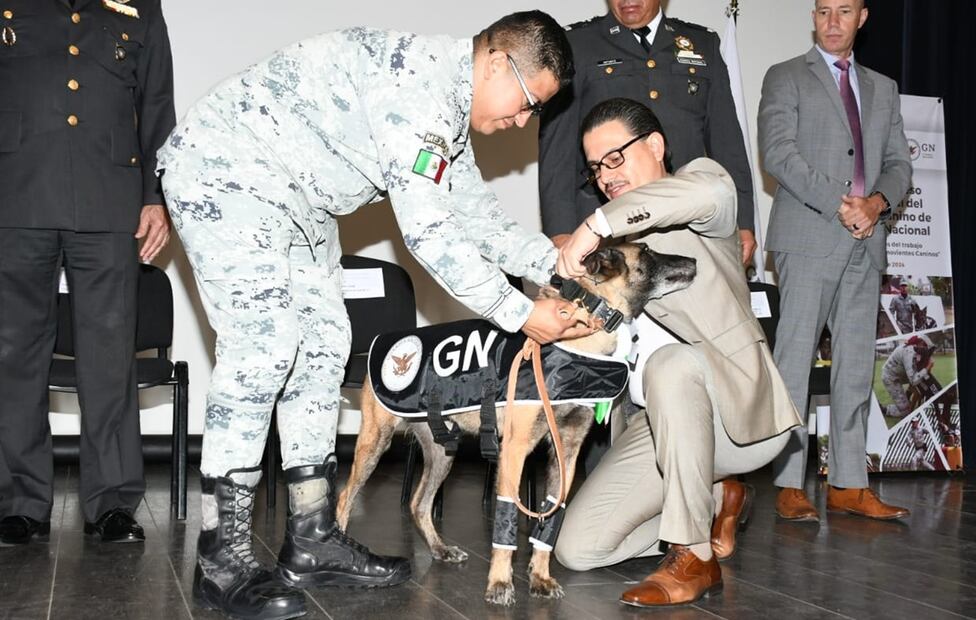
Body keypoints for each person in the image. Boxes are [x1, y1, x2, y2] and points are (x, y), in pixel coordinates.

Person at [158, 12, 593, 620]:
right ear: (496, 62)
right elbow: (431, 233)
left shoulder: (447, 118)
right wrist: (520, 312)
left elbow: (479, 219)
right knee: (265, 343)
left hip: (296, 200)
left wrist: (557, 261)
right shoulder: (415, 87)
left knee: (323, 346)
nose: (522, 121)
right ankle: (220, 559)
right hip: (228, 170)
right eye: (526, 102)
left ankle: (311, 539)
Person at [553, 98, 801, 607]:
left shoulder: (703, 188)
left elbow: (700, 192)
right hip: (656, 424)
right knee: (578, 550)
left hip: (737, 416)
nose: (605, 176)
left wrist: (594, 224)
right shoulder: (615, 246)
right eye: (597, 168)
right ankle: (712, 501)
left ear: (656, 146)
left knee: (671, 365)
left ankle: (694, 556)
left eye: (615, 158)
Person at [0, 0, 174, 547]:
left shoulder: (138, 6)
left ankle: (113, 505)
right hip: (17, 195)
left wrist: (155, 196)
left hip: (109, 200)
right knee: (14, 355)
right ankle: (20, 502)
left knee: (109, 355)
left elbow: (157, 101)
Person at [759, 0, 913, 522]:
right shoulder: (784, 76)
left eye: (843, 12)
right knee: (794, 364)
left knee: (854, 367)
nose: (831, 22)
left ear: (861, 19)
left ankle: (849, 482)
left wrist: (875, 205)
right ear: (813, 16)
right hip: (808, 236)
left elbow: (898, 166)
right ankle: (788, 482)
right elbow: (778, 155)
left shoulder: (883, 88)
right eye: (823, 11)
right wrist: (841, 203)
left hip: (867, 238)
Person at [538, 0, 757, 266]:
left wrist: (743, 220)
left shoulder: (702, 44)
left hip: (687, 218)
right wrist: (560, 231)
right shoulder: (577, 43)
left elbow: (727, 142)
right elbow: (556, 149)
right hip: (607, 221)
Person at [882, 335, 935, 419]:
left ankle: (906, 397)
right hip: (891, 378)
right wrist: (928, 367)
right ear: (920, 343)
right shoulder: (909, 352)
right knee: (906, 412)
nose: (927, 352)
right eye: (926, 348)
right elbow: (913, 380)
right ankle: (885, 410)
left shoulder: (915, 348)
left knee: (919, 383)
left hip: (901, 374)